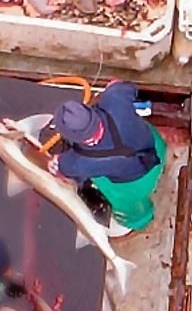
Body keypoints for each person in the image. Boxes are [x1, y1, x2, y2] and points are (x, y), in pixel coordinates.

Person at [48, 80, 167, 234]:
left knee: (127, 202)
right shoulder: (114, 99)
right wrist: (112, 88)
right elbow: (124, 86)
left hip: (137, 182)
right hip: (156, 148)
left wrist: (56, 162)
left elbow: (60, 169)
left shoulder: (80, 162)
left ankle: (138, 219)